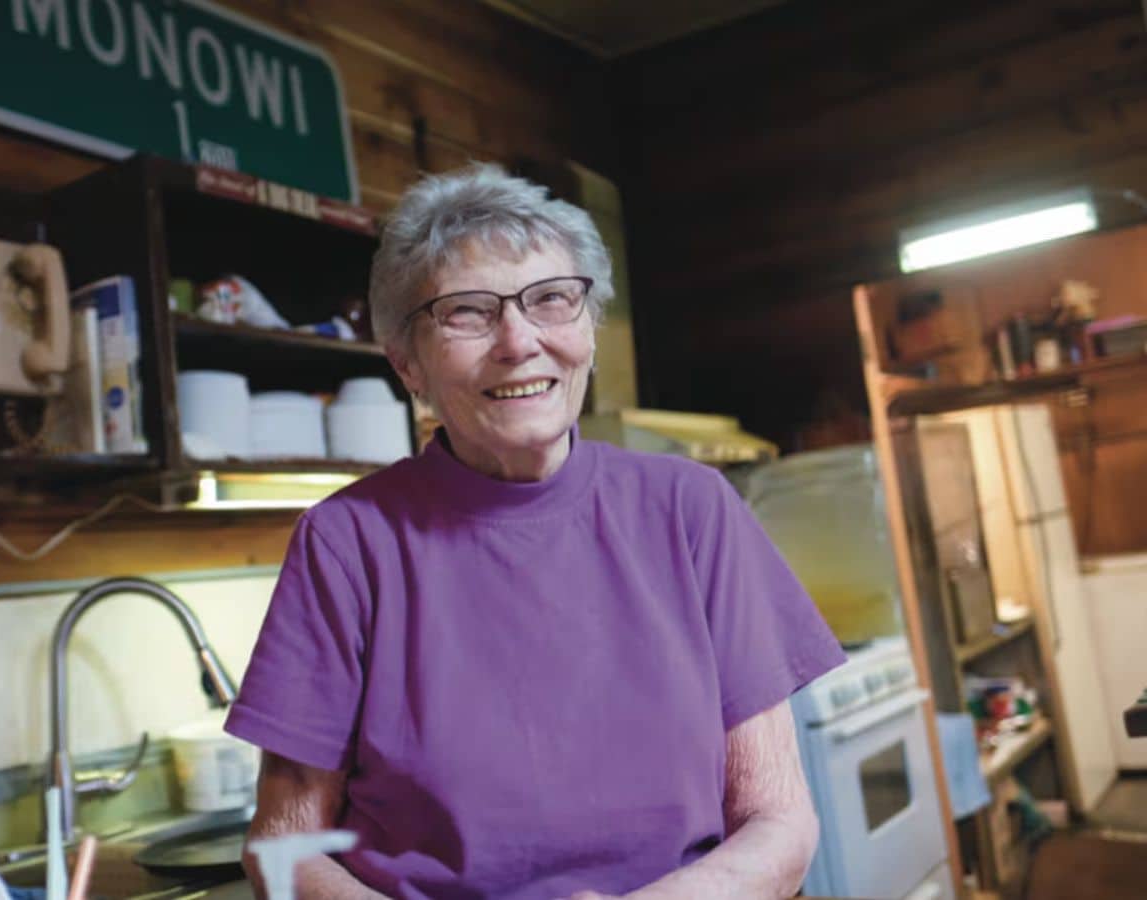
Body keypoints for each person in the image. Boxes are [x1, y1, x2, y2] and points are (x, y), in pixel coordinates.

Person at [224, 163, 845, 899]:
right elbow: (282, 850)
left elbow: (779, 821)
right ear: (407, 364)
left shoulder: (692, 508)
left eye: (551, 299)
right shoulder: (348, 542)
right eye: (467, 312)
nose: (519, 341)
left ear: (588, 327)